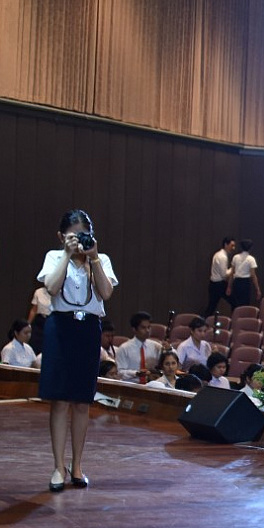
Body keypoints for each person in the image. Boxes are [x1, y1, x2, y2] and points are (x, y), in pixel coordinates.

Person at [38, 209, 117, 492]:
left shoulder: (101, 259)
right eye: (73, 236)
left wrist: (93, 258)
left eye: (84, 235)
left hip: (88, 329)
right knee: (59, 400)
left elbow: (106, 293)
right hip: (60, 327)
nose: (79, 240)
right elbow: (51, 287)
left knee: (83, 401)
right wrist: (67, 255)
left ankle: (77, 465)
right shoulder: (54, 256)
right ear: (61, 236)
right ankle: (58, 466)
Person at [114, 312, 161, 381]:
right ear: (134, 329)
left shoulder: (156, 346)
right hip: (131, 385)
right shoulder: (124, 348)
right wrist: (136, 373)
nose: (147, 330)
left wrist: (168, 349)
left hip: (151, 384)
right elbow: (120, 372)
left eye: (149, 327)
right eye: (143, 328)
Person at [205, 237, 236, 316]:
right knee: (235, 302)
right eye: (232, 245)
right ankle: (235, 320)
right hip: (220, 284)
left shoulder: (217, 254)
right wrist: (233, 269)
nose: (233, 248)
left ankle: (203, 321)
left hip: (213, 283)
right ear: (226, 245)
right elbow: (224, 274)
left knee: (211, 307)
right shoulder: (223, 257)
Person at [229, 239, 260, 308]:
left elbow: (231, 273)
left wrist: (229, 286)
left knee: (235, 304)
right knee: (245, 304)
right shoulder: (251, 259)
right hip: (245, 283)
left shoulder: (235, 257)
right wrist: (257, 289)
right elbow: (253, 275)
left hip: (236, 282)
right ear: (250, 248)